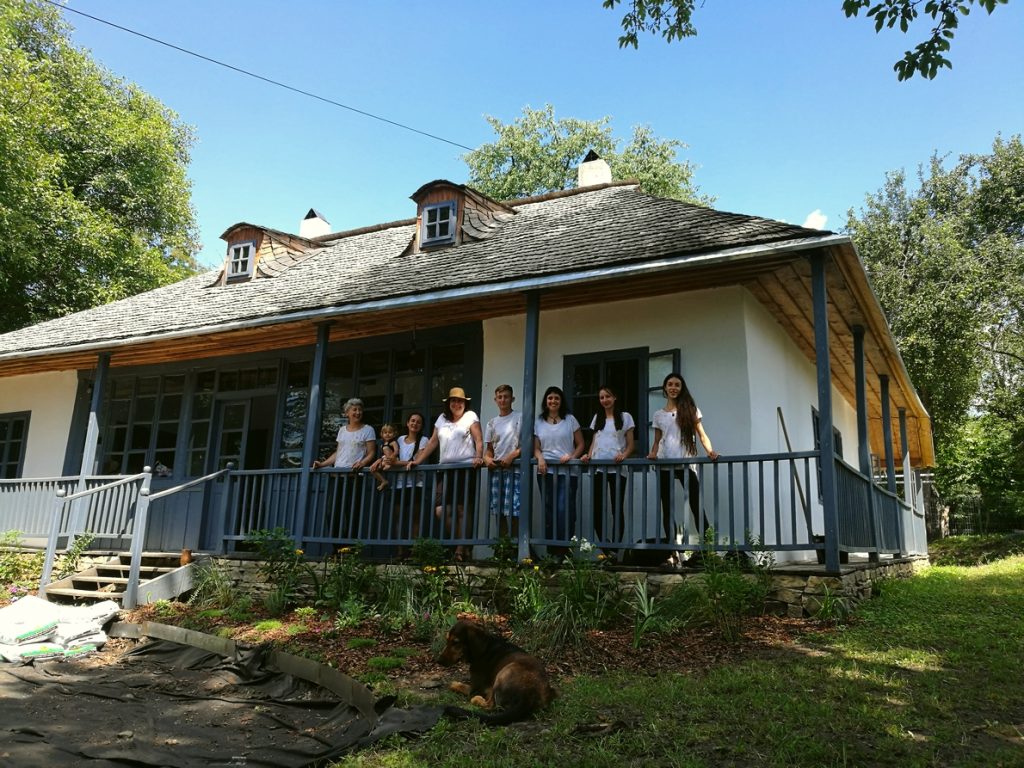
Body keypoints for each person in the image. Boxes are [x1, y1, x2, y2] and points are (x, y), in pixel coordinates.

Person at [646, 372, 719, 556]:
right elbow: (657, 441)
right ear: (665, 388)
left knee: (696, 505)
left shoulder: (690, 409)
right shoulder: (658, 415)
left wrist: (710, 451)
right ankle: (672, 551)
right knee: (667, 508)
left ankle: (708, 548)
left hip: (686, 464)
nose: (673, 388)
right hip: (664, 464)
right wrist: (653, 453)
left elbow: (702, 434)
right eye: (670, 384)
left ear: (681, 388)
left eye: (677, 385)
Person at [410, 387, 484, 561]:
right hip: (445, 470)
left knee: (461, 509)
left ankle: (459, 549)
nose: (457, 404)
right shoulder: (442, 419)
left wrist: (478, 456)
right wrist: (417, 461)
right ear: (449, 403)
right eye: (453, 401)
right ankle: (463, 544)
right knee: (441, 510)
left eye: (460, 401)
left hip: (464, 469)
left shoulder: (470, 416)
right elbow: (433, 442)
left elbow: (479, 440)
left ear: (465, 403)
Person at [312, 398, 376, 538]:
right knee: (331, 512)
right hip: (337, 477)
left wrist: (362, 463)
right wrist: (322, 464)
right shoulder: (342, 430)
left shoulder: (368, 430)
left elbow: (371, 453)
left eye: (360, 410)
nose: (358, 412)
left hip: (354, 478)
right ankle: (337, 546)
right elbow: (338, 453)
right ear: (347, 413)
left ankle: (349, 546)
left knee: (352, 513)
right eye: (354, 410)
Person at [533, 385, 585, 558]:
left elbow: (581, 444)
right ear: (545, 401)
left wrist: (571, 456)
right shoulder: (539, 421)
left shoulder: (570, 419)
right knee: (549, 510)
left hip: (567, 472)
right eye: (550, 398)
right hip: (546, 471)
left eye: (556, 398)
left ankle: (565, 551)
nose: (553, 401)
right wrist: (540, 458)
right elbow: (536, 447)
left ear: (561, 401)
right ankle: (552, 551)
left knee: (565, 510)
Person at [581, 385, 635, 550]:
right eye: (602, 397)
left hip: (617, 470)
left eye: (608, 396)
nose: (605, 400)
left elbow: (631, 445)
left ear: (615, 397)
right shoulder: (597, 418)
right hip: (598, 469)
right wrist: (588, 455)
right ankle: (605, 548)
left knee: (616, 508)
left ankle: (615, 548)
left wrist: (624, 455)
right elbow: (594, 442)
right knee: (597, 508)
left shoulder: (625, 417)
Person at [483, 384, 523, 540]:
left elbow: (528, 444)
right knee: (498, 510)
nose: (503, 400)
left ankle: (515, 546)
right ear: (495, 400)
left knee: (514, 510)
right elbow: (489, 449)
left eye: (506, 396)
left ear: (512, 399)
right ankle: (502, 547)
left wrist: (513, 455)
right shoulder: (491, 423)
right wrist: (487, 459)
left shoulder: (520, 417)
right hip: (497, 470)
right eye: (499, 397)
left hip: (516, 470)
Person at [391, 412, 427, 558]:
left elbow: (417, 460)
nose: (414, 424)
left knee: (415, 518)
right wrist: (392, 462)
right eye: (412, 420)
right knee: (398, 518)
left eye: (418, 422)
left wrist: (395, 463)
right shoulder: (399, 440)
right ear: (407, 423)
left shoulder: (424, 440)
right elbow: (390, 457)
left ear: (421, 426)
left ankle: (414, 551)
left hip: (416, 484)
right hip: (398, 484)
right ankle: (400, 551)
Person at [368, 422, 399, 491]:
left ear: (394, 434)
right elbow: (383, 455)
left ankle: (389, 465)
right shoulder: (382, 444)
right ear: (382, 434)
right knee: (372, 469)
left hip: (392, 459)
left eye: (390, 432)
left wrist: (391, 458)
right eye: (385, 432)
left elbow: (396, 451)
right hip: (385, 459)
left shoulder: (393, 442)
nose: (387, 434)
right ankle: (383, 481)